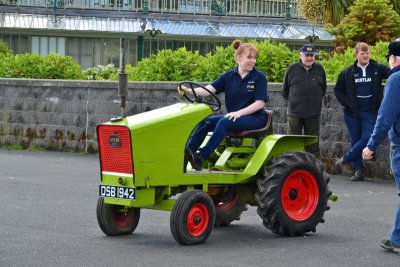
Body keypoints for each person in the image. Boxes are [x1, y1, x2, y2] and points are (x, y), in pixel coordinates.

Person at [179, 40, 268, 170]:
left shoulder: (259, 77)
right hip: (234, 117)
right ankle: (188, 154)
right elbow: (206, 91)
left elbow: (260, 103)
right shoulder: (228, 76)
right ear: (238, 57)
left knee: (224, 121)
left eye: (254, 58)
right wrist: (186, 90)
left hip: (254, 118)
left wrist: (239, 113)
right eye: (249, 57)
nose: (253, 61)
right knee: (206, 122)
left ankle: (202, 157)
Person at [362, 40, 400, 254]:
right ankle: (396, 237)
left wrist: (371, 145)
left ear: (393, 58)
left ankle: (397, 238)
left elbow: (385, 117)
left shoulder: (395, 80)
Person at [334, 42, 390, 181]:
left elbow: (394, 74)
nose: (365, 56)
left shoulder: (377, 68)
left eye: (367, 53)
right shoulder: (348, 72)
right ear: (356, 55)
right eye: (362, 53)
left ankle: (345, 159)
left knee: (366, 137)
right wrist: (346, 103)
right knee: (355, 140)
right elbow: (338, 90)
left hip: (370, 112)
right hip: (352, 113)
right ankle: (358, 171)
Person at [282, 44, 327, 157]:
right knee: (292, 144)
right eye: (307, 55)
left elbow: (323, 89)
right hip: (295, 114)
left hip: (313, 114)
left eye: (312, 55)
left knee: (312, 145)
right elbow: (285, 91)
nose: (309, 58)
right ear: (300, 55)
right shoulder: (292, 69)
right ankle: (292, 169)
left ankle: (313, 169)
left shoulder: (320, 69)